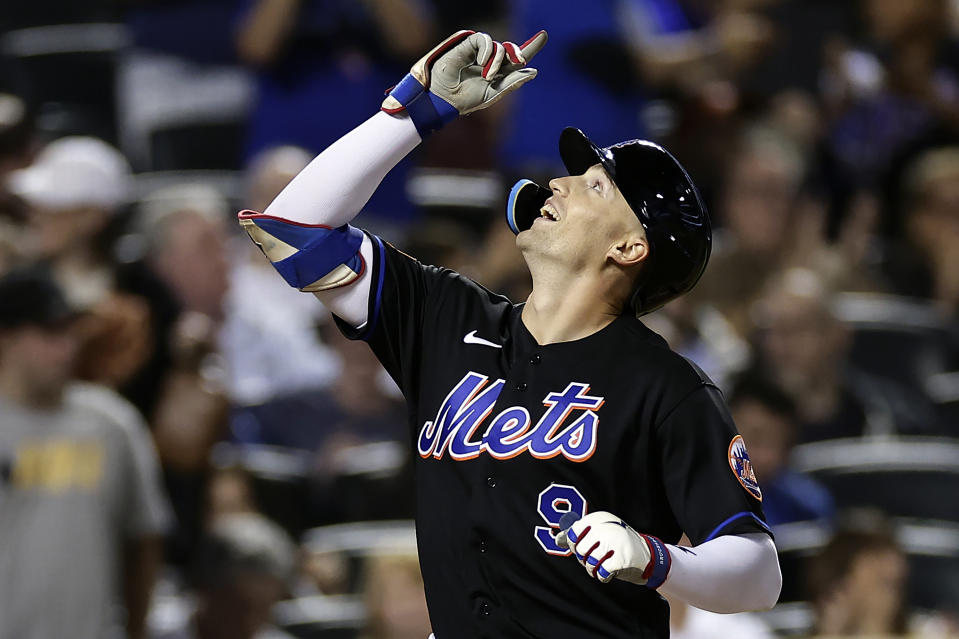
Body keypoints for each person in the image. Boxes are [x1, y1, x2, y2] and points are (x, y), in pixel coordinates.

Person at [238, 30, 781, 638]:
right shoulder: (447, 317)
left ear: (630, 247)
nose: (560, 184)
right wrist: (415, 112)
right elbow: (293, 229)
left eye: (594, 186)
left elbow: (759, 573)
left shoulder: (666, 386)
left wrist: (657, 559)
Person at [0, 267, 170, 639]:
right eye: (49, 333)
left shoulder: (112, 424)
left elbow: (144, 539)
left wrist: (136, 630)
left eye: (69, 331)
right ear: (7, 338)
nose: (67, 348)